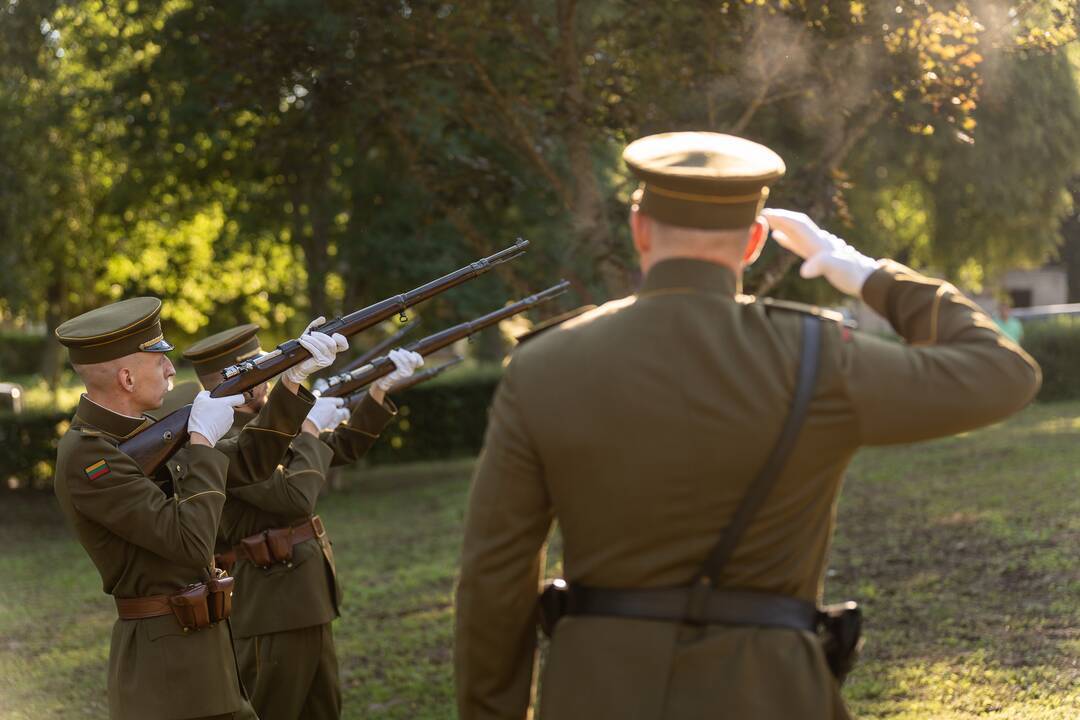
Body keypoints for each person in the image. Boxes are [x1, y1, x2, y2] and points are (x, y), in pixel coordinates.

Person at [454, 131, 1042, 720]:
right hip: (769, 692)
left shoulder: (545, 366)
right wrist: (865, 275)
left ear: (639, 228)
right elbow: (1002, 373)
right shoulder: (816, 355)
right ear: (756, 241)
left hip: (596, 691)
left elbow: (494, 573)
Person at [52, 297, 348, 720]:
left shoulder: (145, 436)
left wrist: (292, 381)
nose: (172, 369)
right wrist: (203, 444)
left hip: (207, 654)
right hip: (168, 675)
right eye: (160, 360)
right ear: (127, 378)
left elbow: (249, 461)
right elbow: (190, 543)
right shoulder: (88, 458)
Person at [179, 323, 423, 720]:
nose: (271, 376)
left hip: (307, 598)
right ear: (244, 379)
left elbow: (339, 450)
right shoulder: (222, 442)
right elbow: (296, 496)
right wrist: (310, 427)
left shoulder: (270, 424)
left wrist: (379, 392)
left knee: (321, 710)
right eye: (262, 370)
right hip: (272, 607)